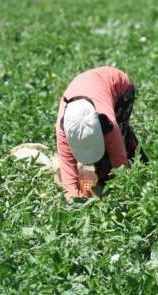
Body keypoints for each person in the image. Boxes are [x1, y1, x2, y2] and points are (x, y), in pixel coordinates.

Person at [55, 66, 141, 199]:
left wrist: (124, 196)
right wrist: (79, 200)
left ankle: (140, 160)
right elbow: (69, 185)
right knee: (93, 171)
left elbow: (120, 163)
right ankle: (95, 178)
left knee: (118, 148)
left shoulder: (108, 123)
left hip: (119, 86)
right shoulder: (63, 132)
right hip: (89, 85)